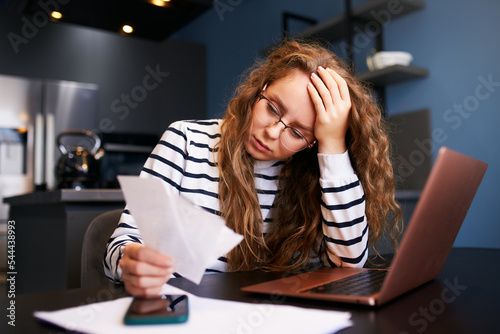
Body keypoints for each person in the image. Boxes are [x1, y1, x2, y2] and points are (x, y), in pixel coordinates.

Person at [104, 39, 402, 296]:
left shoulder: (310, 175)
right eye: (272, 108)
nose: (272, 132)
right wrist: (131, 260)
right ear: (260, 88)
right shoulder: (185, 140)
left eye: (297, 133)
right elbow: (123, 243)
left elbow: (347, 266)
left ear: (312, 144)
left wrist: (333, 145)